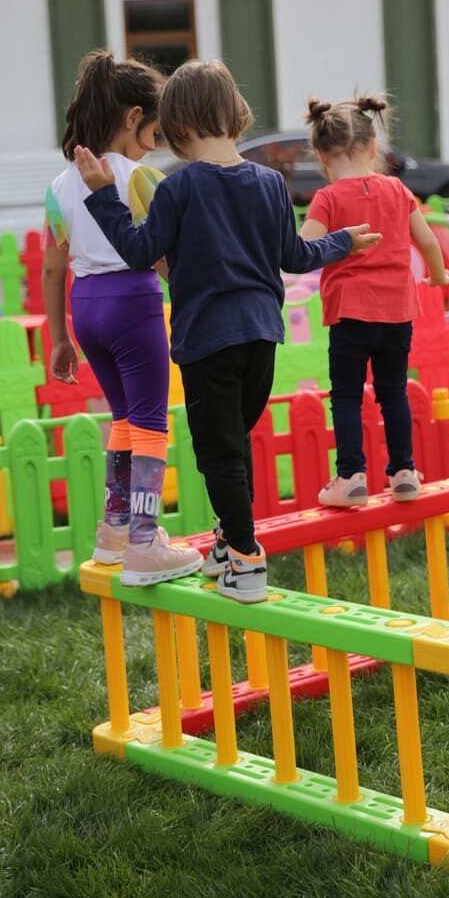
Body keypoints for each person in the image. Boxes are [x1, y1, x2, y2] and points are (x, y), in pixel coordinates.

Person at [74, 59, 381, 604]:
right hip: (262, 338)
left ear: (177, 126)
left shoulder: (177, 188)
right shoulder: (269, 183)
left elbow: (140, 252)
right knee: (233, 447)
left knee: (218, 455)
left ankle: (246, 558)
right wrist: (343, 242)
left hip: (208, 342)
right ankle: (227, 542)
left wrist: (102, 196)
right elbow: (294, 255)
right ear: (237, 115)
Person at [42, 50, 202, 586]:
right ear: (133, 117)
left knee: (124, 420)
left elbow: (51, 267)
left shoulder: (58, 186)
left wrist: (60, 338)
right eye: (153, 133)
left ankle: (113, 533)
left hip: (87, 309)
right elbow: (163, 257)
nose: (153, 145)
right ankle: (144, 541)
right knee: (152, 422)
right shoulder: (141, 178)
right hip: (133, 304)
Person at [299, 94, 449, 508]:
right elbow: (428, 241)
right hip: (397, 312)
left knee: (347, 394)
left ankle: (351, 476)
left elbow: (303, 250)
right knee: (393, 391)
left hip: (350, 312)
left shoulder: (328, 198)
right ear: (373, 147)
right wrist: (439, 276)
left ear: (321, 156)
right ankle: (404, 472)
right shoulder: (398, 189)